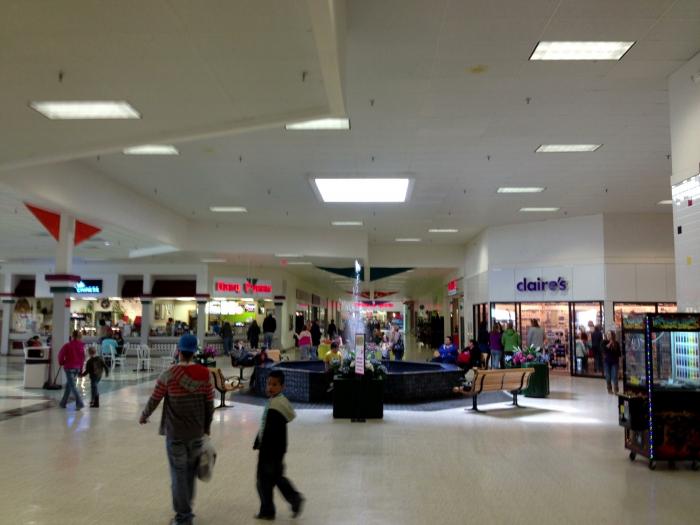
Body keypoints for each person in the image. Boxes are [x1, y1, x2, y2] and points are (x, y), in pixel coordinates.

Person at [139, 334, 214, 525]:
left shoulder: (169, 374)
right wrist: (206, 428)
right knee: (189, 474)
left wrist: (144, 415)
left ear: (179, 351)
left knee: (178, 475)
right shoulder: (205, 374)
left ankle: (183, 517)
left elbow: (155, 398)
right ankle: (187, 510)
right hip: (196, 433)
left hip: (175, 435)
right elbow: (209, 405)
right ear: (195, 352)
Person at [254, 370, 304, 520]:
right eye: (269, 383)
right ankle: (294, 499)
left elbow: (271, 430)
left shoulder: (275, 406)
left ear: (282, 387)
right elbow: (265, 426)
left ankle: (268, 510)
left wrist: (262, 444)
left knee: (263, 481)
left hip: (270, 451)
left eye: (274, 384)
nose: (270, 387)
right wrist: (258, 439)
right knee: (276, 478)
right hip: (277, 450)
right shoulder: (279, 401)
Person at [58, 330, 86, 410]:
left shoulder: (67, 345)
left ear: (72, 336)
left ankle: (79, 403)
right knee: (69, 385)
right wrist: (81, 369)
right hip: (77, 368)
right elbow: (82, 359)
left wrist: (61, 362)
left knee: (72, 386)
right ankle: (63, 403)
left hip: (69, 367)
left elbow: (60, 355)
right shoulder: (82, 346)